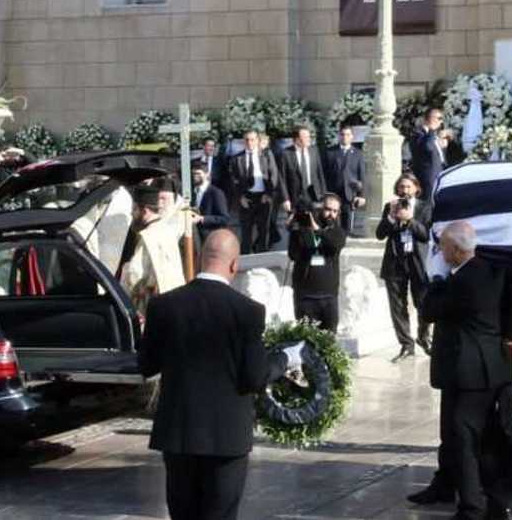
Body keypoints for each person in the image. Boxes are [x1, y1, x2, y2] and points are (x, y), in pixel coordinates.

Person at [139, 229, 299, 520]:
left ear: (201, 258)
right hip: (226, 436)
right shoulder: (248, 311)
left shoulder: (163, 305)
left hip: (179, 432)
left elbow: (147, 365)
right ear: (234, 264)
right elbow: (254, 377)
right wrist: (284, 359)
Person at [411, 221, 512, 520]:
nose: (440, 252)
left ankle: (472, 507)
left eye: (443, 246)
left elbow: (429, 310)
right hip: (484, 371)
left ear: (456, 250)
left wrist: (436, 280)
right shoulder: (486, 270)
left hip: (468, 373)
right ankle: (495, 502)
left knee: (464, 440)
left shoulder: (463, 280)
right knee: (484, 439)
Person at [376, 173, 432, 362]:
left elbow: (425, 235)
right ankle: (406, 345)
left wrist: (410, 220)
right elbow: (379, 234)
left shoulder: (425, 207)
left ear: (416, 188)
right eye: (401, 187)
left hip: (417, 261)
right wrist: (391, 218)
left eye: (408, 186)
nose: (405, 190)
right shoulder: (390, 206)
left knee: (423, 302)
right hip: (395, 261)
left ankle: (423, 336)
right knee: (398, 306)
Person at [119, 186, 187, 316]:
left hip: (152, 309)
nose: (131, 214)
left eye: (134, 209)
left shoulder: (148, 236)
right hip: (174, 304)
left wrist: (124, 271)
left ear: (144, 211)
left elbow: (134, 275)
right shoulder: (167, 231)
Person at [288, 193, 346, 333]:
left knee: (329, 340)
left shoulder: (337, 232)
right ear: (319, 209)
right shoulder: (303, 229)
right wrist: (296, 229)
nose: (331, 214)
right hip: (305, 297)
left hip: (329, 297)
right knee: (306, 340)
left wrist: (317, 230)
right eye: (328, 209)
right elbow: (293, 255)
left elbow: (334, 244)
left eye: (335, 211)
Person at [230, 129, 280, 254]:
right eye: (247, 140)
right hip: (246, 198)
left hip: (263, 197)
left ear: (257, 140)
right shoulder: (237, 158)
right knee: (246, 232)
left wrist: (268, 194)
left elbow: (274, 175)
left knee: (263, 231)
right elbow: (233, 181)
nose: (249, 142)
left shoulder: (266, 155)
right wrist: (240, 197)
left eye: (252, 140)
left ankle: (262, 258)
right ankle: (246, 259)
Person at [280, 125, 327, 218]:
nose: (309, 139)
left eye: (309, 136)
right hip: (295, 198)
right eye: (305, 137)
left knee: (315, 223)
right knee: (297, 224)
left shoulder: (314, 150)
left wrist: (324, 195)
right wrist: (285, 199)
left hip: (314, 195)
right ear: (297, 139)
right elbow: (282, 179)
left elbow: (320, 174)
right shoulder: (286, 154)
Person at [326, 126, 366, 234]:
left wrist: (361, 195)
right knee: (332, 221)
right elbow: (324, 173)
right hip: (333, 193)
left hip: (349, 194)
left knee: (347, 223)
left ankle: (345, 239)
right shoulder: (330, 152)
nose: (345, 137)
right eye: (342, 134)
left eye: (348, 135)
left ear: (352, 137)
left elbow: (362, 175)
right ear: (339, 136)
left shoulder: (358, 154)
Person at [411, 107, 447, 200]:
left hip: (440, 174)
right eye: (439, 118)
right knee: (430, 203)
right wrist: (431, 130)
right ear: (430, 118)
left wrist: (443, 146)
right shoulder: (418, 133)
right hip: (428, 178)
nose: (441, 121)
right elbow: (427, 147)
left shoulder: (434, 135)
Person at [192, 161, 231, 246]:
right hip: (197, 238)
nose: (195, 176)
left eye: (198, 173)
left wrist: (202, 218)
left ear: (207, 174)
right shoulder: (193, 192)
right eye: (193, 173)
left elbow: (225, 219)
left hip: (212, 239)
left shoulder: (216, 193)